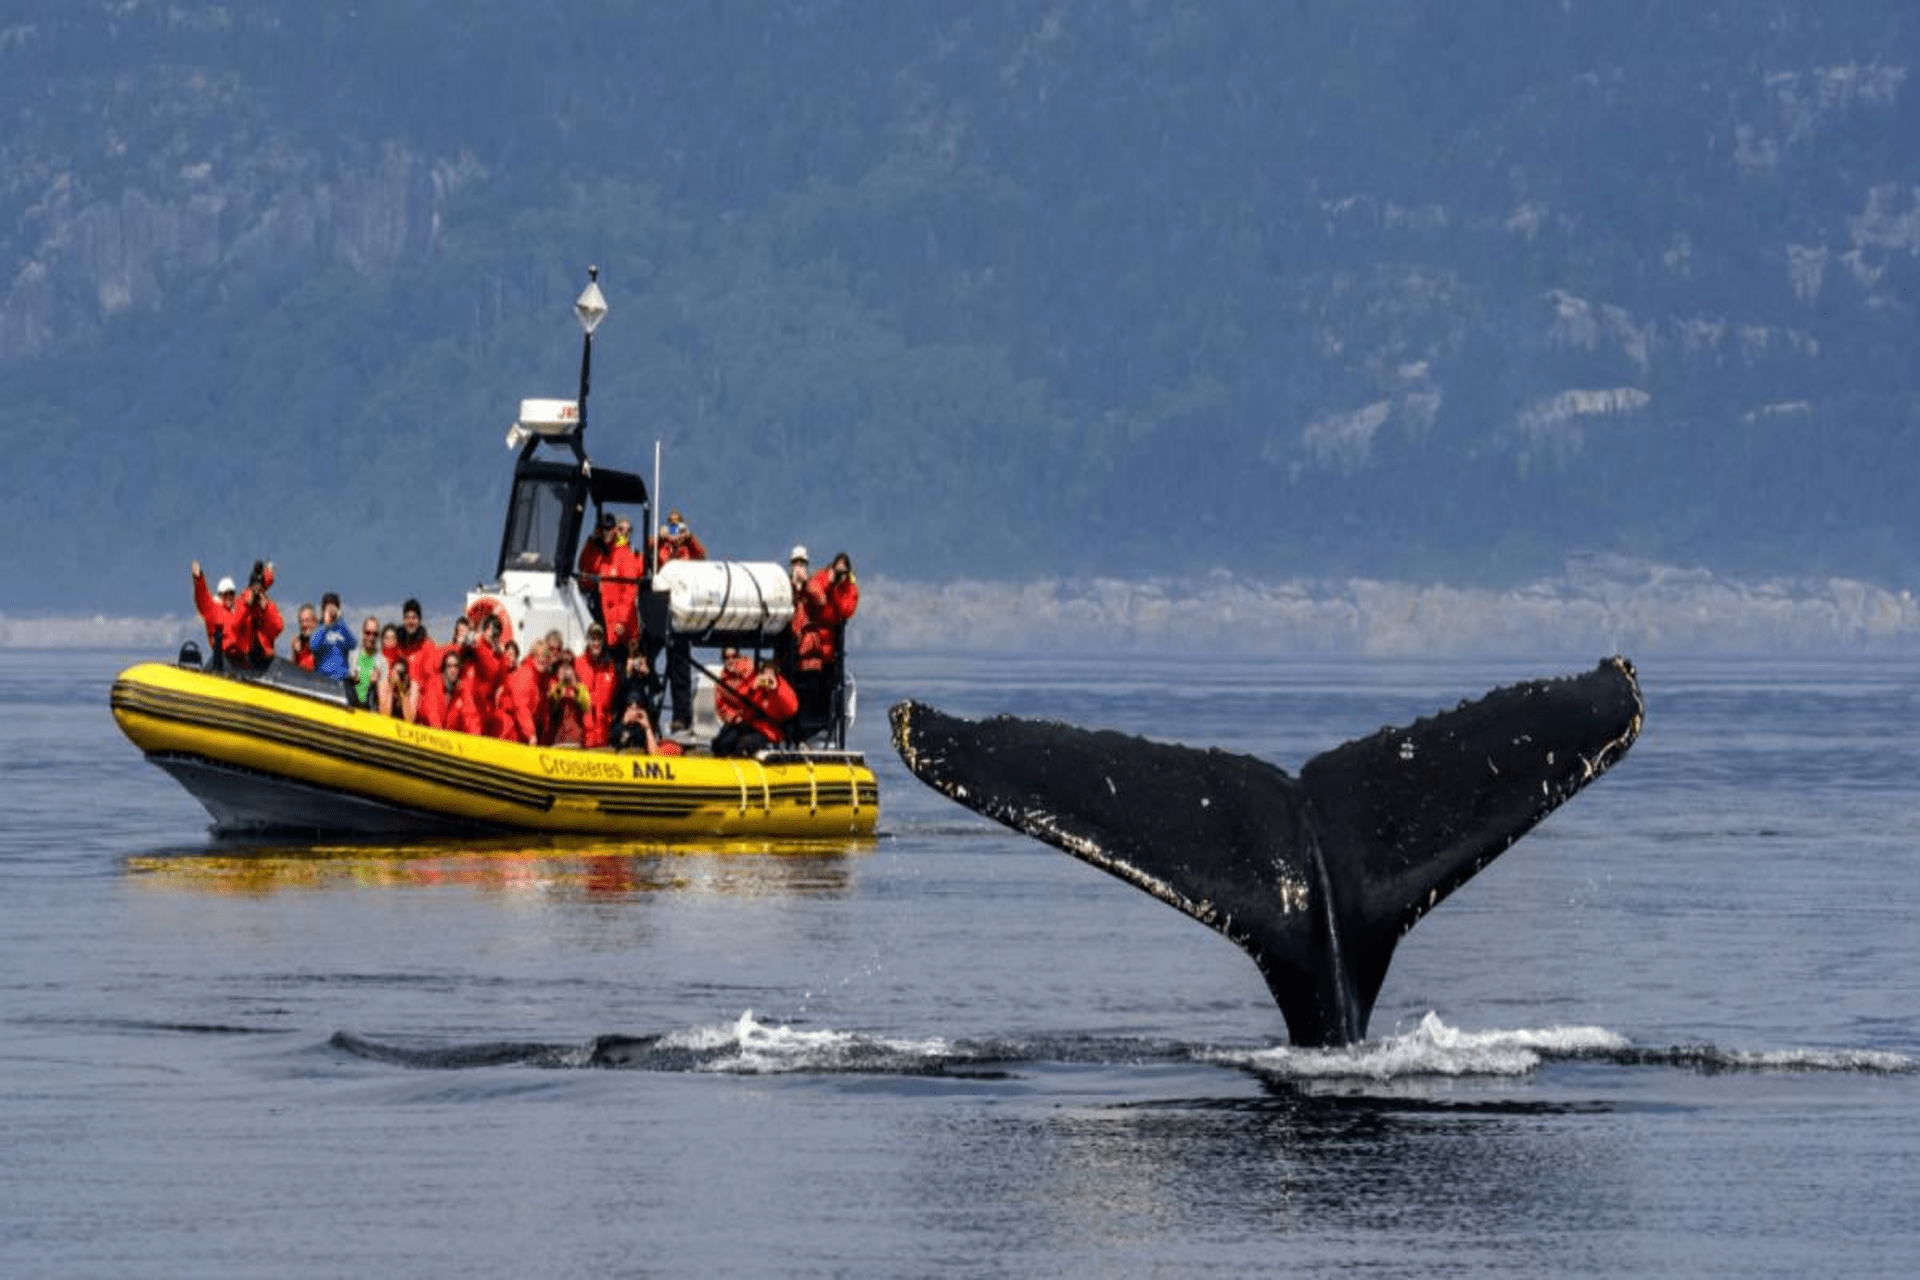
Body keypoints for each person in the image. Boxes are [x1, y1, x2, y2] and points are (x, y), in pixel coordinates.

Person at [710, 658, 798, 758]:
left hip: (769, 731)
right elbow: (738, 698)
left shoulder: (781, 687)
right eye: (763, 673)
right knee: (721, 744)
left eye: (769, 673)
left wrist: (775, 688)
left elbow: (791, 709)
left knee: (743, 746)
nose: (766, 677)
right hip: (751, 725)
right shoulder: (754, 685)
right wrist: (752, 688)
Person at [224, 560, 283, 669]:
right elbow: (233, 625)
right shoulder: (241, 601)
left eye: (259, 587)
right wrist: (247, 606)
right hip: (242, 660)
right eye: (254, 587)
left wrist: (266, 610)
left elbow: (277, 628)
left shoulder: (269, 605)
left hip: (265, 662)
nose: (257, 590)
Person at [573, 624, 620, 748]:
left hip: (604, 731)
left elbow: (616, 696)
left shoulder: (610, 667)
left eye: (599, 639)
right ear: (588, 641)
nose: (596, 643)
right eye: (593, 639)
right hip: (583, 733)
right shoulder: (578, 663)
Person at [576, 510, 617, 627]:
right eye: (604, 529)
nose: (607, 532)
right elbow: (582, 565)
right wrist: (594, 541)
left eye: (609, 529)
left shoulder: (618, 548)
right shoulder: (592, 545)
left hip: (609, 597)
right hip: (591, 594)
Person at [189, 562, 238, 657]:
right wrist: (199, 578)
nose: (228, 596)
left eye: (231, 593)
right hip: (222, 658)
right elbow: (202, 597)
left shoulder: (238, 609)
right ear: (220, 595)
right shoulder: (213, 609)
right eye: (225, 593)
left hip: (243, 659)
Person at [309, 593, 357, 684]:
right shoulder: (319, 629)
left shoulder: (342, 628)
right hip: (323, 679)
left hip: (342, 680)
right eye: (328, 608)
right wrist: (326, 625)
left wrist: (340, 620)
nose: (331, 611)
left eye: (334, 607)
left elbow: (353, 644)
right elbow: (313, 645)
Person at [545, 661, 591, 746]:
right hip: (558, 735)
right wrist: (559, 691)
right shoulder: (556, 686)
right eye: (563, 669)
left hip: (575, 735)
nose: (566, 672)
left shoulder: (580, 687)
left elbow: (586, 707)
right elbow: (550, 706)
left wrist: (575, 692)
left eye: (568, 668)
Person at [351, 616, 386, 706]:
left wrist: (378, 684)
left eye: (375, 634)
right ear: (362, 632)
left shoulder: (382, 662)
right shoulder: (351, 657)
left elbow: (385, 698)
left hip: (370, 714)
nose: (371, 637)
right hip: (350, 710)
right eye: (368, 633)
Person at [289, 602, 319, 671]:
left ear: (315, 621)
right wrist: (296, 654)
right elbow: (294, 673)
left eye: (307, 621)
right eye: (301, 622)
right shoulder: (300, 644)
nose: (304, 625)